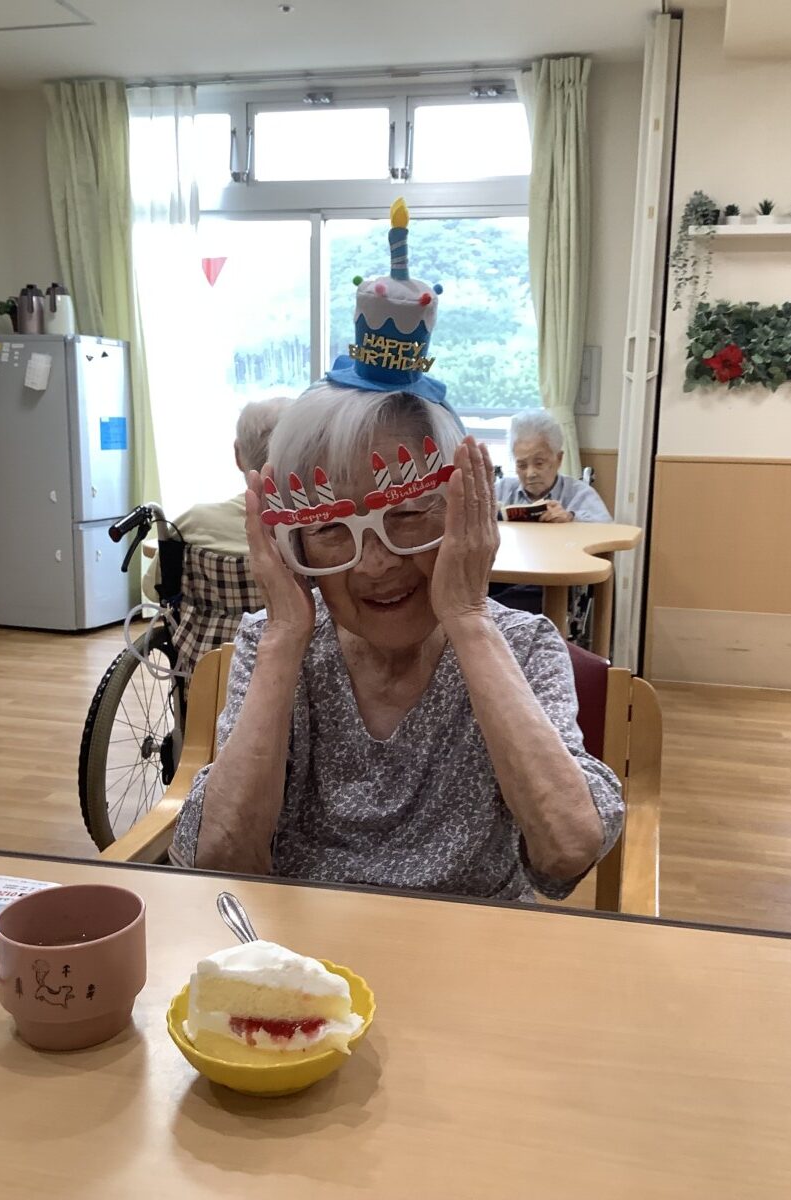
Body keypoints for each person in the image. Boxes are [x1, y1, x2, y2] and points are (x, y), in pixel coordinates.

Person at [170, 201, 622, 903]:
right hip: (301, 958)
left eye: (408, 515)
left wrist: (469, 620)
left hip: (470, 955)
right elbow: (221, 860)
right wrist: (286, 636)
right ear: (291, 541)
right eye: (331, 529)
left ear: (466, 513)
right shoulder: (273, 645)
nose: (374, 563)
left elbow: (567, 850)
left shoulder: (524, 646)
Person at [142, 396, 288, 599]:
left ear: (237, 455)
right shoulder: (313, 531)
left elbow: (155, 590)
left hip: (201, 621)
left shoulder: (193, 523)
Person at [496, 409, 612, 524]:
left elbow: (607, 527)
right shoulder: (502, 490)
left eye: (539, 463)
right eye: (522, 465)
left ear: (559, 459)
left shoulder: (579, 493)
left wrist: (571, 518)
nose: (530, 474)